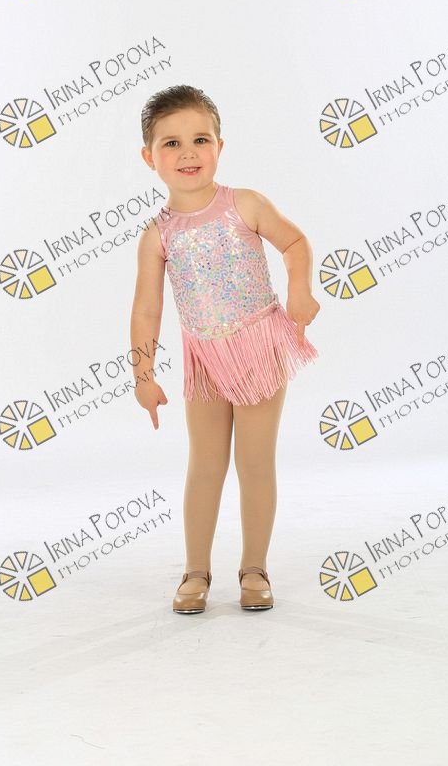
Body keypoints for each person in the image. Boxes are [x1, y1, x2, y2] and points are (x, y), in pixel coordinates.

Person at [130, 84, 320, 614]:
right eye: (171, 144)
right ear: (149, 158)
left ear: (219, 146)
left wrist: (300, 289)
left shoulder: (245, 204)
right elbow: (146, 310)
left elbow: (294, 242)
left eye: (200, 139)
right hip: (205, 360)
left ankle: (254, 568)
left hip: (258, 348)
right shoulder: (158, 235)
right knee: (206, 465)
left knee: (254, 462)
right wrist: (144, 375)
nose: (187, 152)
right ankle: (195, 571)